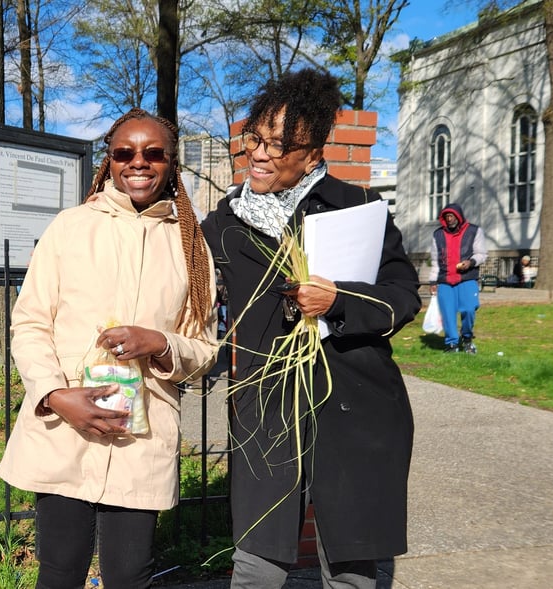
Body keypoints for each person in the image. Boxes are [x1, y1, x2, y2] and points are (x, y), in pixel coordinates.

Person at [201, 68, 422, 589]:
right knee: (257, 560)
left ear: (313, 153)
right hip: (267, 405)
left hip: (355, 400)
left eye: (279, 145)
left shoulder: (359, 207)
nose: (258, 154)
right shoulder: (222, 226)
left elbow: (403, 295)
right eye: (254, 138)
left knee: (352, 563)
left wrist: (339, 300)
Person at [0, 108, 218, 589]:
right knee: (59, 569)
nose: (139, 162)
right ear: (110, 161)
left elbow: (204, 349)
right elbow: (30, 323)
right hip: (65, 426)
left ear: (172, 162)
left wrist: (161, 343)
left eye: (154, 152)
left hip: (141, 432)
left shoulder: (190, 246)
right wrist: (55, 395)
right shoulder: (70, 227)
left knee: (129, 575)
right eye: (125, 152)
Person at [428, 203, 487, 353]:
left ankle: (467, 338)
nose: (449, 219)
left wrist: (471, 262)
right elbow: (435, 261)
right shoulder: (438, 235)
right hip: (445, 280)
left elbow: (482, 254)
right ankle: (452, 343)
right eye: (446, 217)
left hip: (467, 278)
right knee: (448, 313)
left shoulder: (474, 231)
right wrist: (433, 281)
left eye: (452, 216)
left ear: (458, 216)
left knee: (469, 308)